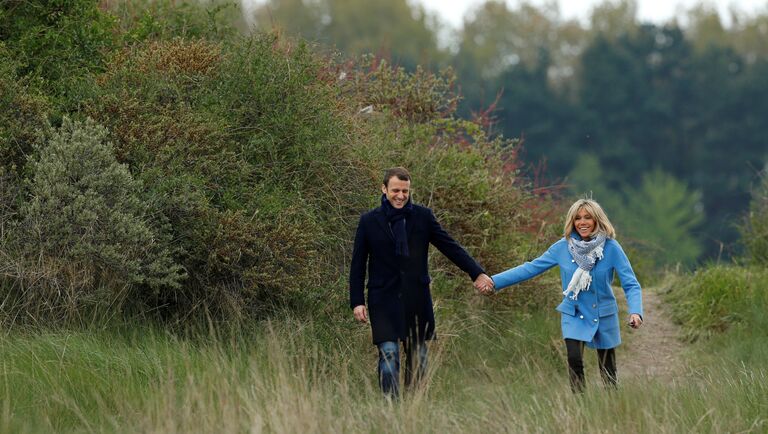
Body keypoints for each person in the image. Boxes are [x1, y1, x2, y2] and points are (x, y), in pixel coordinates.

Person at [349, 167, 494, 398]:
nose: (400, 196)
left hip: (416, 299)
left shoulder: (422, 217)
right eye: (395, 190)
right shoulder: (369, 221)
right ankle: (391, 409)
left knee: (419, 358)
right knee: (388, 353)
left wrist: (476, 272)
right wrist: (357, 301)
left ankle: (413, 407)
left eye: (405, 191)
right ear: (384, 189)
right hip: (382, 299)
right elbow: (357, 265)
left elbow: (450, 246)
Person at [481, 198, 643, 393]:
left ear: (597, 220)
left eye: (587, 218)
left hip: (603, 314)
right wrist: (494, 281)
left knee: (608, 370)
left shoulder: (611, 248)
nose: (582, 222)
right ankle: (579, 407)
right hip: (573, 312)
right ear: (572, 222)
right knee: (574, 360)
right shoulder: (562, 247)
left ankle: (611, 409)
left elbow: (631, 284)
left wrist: (636, 312)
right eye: (577, 218)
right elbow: (531, 268)